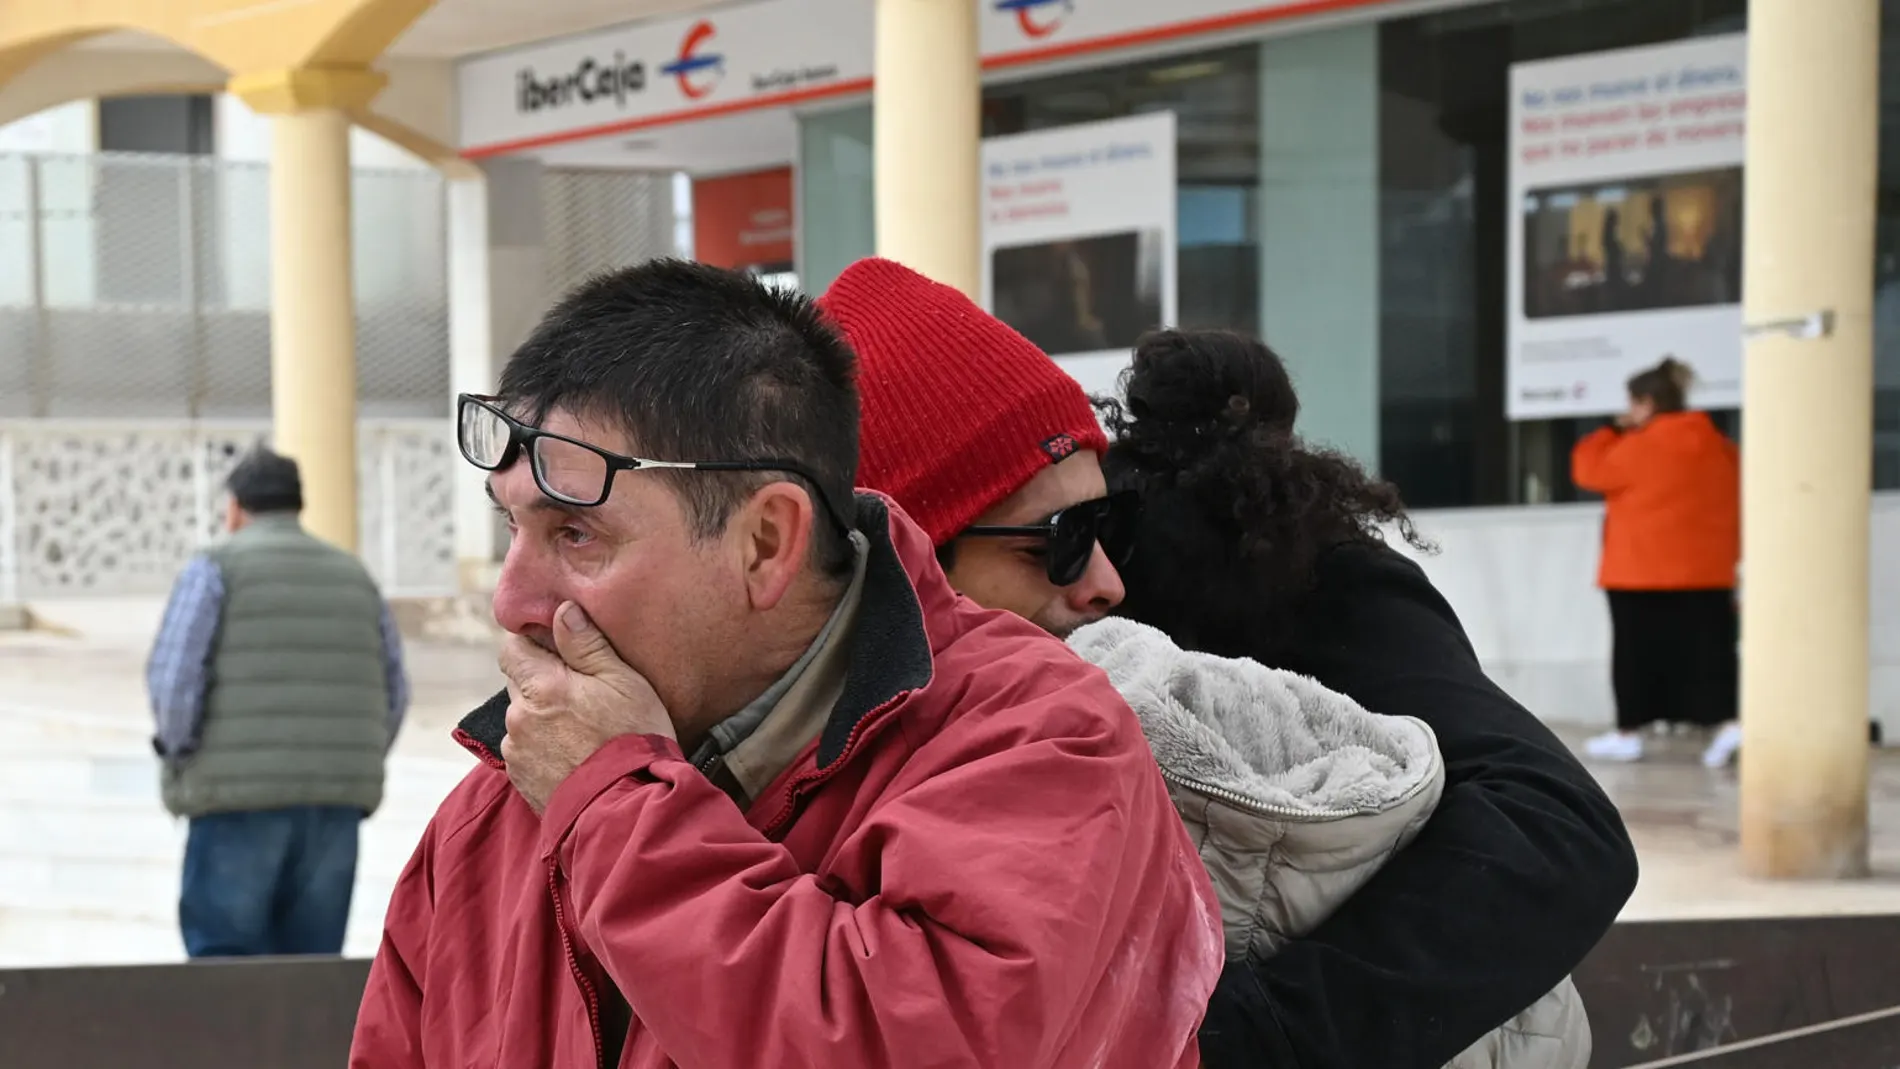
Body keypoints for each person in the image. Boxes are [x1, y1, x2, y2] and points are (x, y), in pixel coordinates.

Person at [349, 260, 1223, 1069]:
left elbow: (916, 1043)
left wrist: (616, 806)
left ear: (767, 542)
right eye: (513, 526)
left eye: (576, 533)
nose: (511, 601)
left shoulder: (1045, 743)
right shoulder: (492, 816)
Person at [820, 258, 1639, 1069]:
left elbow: (1557, 826)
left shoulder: (1275, 566)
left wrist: (1235, 1038)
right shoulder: (834, 713)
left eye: (1100, 524)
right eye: (1065, 540)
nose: (1106, 579)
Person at [146, 446, 408, 958]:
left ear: (235, 508)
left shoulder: (214, 568)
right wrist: (353, 760)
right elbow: (395, 691)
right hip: (334, 805)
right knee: (309, 969)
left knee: (224, 966)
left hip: (234, 803)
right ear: (297, 505)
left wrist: (178, 753)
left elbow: (174, 679)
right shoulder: (355, 576)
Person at [1572, 356, 1741, 767]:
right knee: (1710, 656)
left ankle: (1629, 733)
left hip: (1638, 571)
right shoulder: (1717, 445)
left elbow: (1587, 470)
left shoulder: (1635, 446)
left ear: (1646, 403)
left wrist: (1612, 429)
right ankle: (1727, 725)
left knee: (1636, 659)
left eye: (1631, 403)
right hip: (1707, 571)